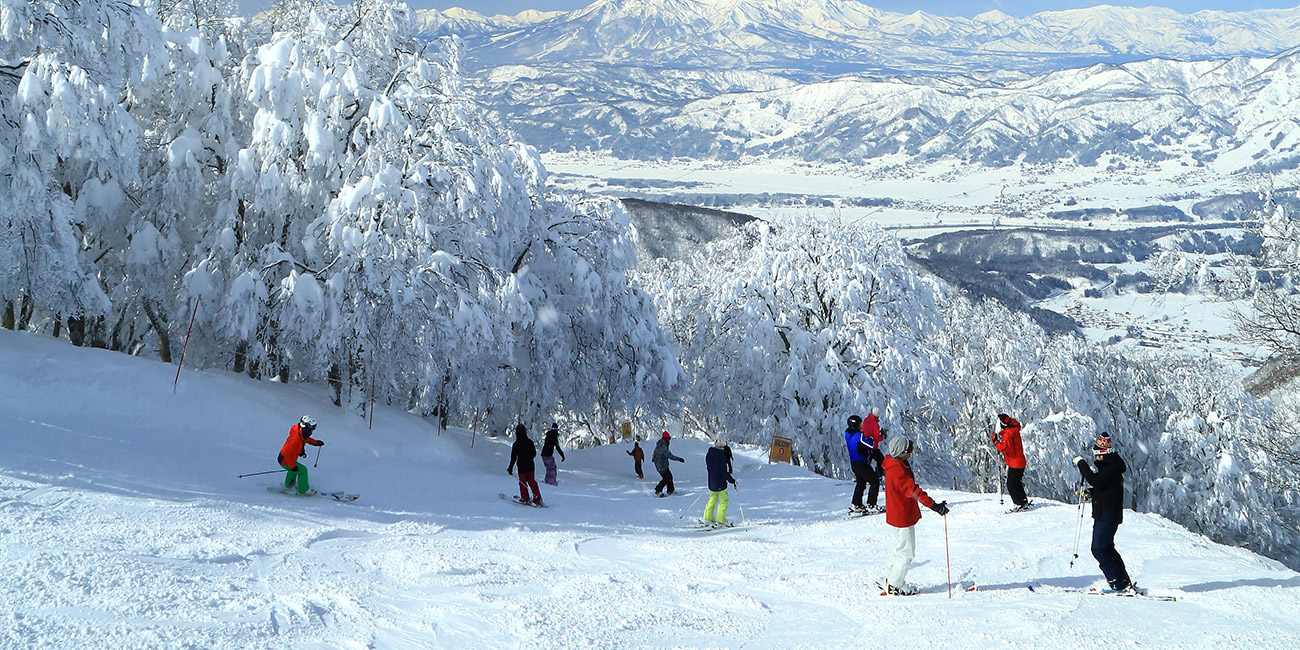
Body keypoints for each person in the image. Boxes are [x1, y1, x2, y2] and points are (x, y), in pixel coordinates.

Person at [882, 435, 949, 596]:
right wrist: (934, 506)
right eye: (909, 450)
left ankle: (890, 580)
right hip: (902, 516)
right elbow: (914, 491)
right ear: (901, 452)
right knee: (906, 552)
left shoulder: (894, 464)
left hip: (897, 513)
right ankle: (894, 585)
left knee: (900, 548)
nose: (911, 453)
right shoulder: (898, 470)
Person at [1074, 432, 1133, 592]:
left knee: (1099, 549)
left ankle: (1117, 582)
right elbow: (1105, 488)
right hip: (1107, 514)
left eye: (1097, 454)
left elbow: (1096, 480)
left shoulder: (1111, 468)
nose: (1096, 457)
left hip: (1107, 515)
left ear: (1104, 453)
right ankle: (1122, 580)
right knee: (1107, 548)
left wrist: (1081, 464)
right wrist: (1091, 493)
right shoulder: (1111, 467)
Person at [278, 415, 325, 495]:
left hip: (284, 458)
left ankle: (288, 486)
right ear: (306, 427)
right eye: (312, 428)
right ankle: (303, 490)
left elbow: (305, 439)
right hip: (286, 460)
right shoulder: (295, 439)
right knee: (303, 471)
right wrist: (293, 466)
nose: (312, 431)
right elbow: (288, 454)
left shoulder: (299, 432)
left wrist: (315, 443)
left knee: (293, 471)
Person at [993, 413, 1030, 510]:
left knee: (1011, 485)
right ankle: (1023, 501)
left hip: (1015, 463)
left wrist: (996, 442)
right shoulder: (1014, 429)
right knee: (1016, 482)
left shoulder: (1008, 434)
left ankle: (1019, 503)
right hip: (1020, 461)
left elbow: (1005, 449)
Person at [702, 436, 738, 527]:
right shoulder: (721, 455)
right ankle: (720, 520)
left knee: (713, 499)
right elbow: (724, 472)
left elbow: (709, 466)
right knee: (724, 500)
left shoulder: (710, 452)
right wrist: (732, 481)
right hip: (720, 483)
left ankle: (707, 518)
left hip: (711, 482)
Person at [507, 424, 543, 505]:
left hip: (522, 467)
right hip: (530, 466)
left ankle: (525, 498)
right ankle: (537, 498)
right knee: (532, 482)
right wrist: (528, 457)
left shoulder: (516, 444)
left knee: (522, 483)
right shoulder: (530, 442)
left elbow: (513, 458)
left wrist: (510, 468)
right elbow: (534, 453)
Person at [652, 431, 685, 496]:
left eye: (669, 438)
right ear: (665, 439)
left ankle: (670, 491)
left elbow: (654, 454)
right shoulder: (662, 446)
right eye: (668, 438)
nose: (669, 440)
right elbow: (670, 456)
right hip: (661, 465)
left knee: (669, 477)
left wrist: (654, 459)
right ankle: (658, 490)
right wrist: (679, 459)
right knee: (667, 479)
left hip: (663, 465)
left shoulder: (661, 444)